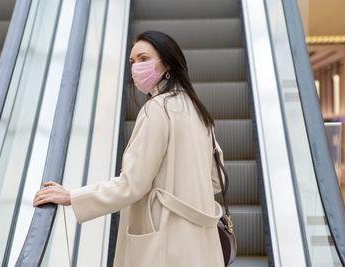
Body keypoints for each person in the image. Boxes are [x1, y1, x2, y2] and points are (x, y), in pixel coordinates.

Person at [33, 30, 226, 267]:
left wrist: (72, 196)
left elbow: (132, 184)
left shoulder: (157, 110)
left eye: (144, 59)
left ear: (167, 62)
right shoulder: (199, 112)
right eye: (133, 62)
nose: (136, 68)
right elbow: (217, 181)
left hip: (164, 246)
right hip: (202, 248)